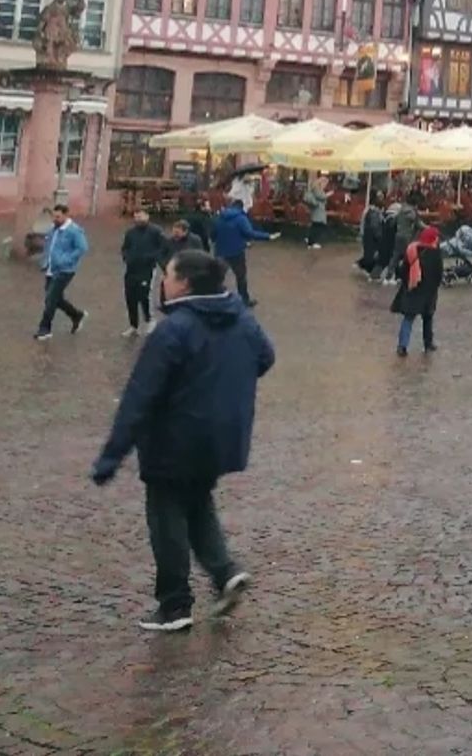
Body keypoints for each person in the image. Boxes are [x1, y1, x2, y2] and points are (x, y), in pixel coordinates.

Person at [90, 248, 274, 632]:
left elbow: (140, 395)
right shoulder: (241, 318)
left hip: (173, 440)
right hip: (222, 438)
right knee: (197, 504)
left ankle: (175, 605)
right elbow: (265, 357)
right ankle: (225, 572)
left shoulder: (175, 328)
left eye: (169, 276)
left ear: (184, 284)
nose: (163, 282)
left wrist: (111, 457)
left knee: (166, 516)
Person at [35, 202, 90, 340]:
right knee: (56, 298)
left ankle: (45, 328)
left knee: (51, 299)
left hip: (65, 270)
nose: (55, 219)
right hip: (51, 268)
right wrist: (45, 262)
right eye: (54, 216)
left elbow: (82, 248)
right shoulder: (54, 228)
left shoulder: (74, 230)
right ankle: (77, 315)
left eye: (58, 217)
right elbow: (49, 246)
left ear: (66, 215)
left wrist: (65, 260)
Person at [212, 197, 277, 308]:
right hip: (236, 253)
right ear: (241, 207)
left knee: (217, 277)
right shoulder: (241, 218)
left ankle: (214, 300)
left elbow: (213, 234)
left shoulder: (219, 217)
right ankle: (244, 300)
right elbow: (249, 233)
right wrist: (267, 236)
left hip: (220, 252)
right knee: (241, 277)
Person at [390, 223, 443, 356]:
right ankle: (428, 344)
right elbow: (439, 274)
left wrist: (408, 281)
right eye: (436, 237)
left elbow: (403, 270)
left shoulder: (412, 250)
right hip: (429, 292)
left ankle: (402, 346)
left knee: (408, 319)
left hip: (412, 290)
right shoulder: (435, 253)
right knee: (428, 318)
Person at [120, 209, 169, 337]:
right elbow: (125, 247)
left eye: (140, 215)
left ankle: (150, 320)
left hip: (147, 268)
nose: (138, 218)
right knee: (130, 296)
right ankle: (133, 325)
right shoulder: (130, 232)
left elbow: (163, 248)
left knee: (144, 294)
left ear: (147, 216)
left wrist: (152, 258)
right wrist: (126, 257)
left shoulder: (156, 231)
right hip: (131, 268)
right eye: (136, 216)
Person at [357, 197, 390, 279]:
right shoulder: (375, 214)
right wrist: (380, 238)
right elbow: (375, 227)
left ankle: (364, 268)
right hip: (371, 238)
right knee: (371, 255)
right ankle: (368, 272)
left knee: (369, 254)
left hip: (368, 236)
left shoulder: (370, 212)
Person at [301, 181, 329, 249]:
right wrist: (328, 194)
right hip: (318, 211)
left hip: (317, 211)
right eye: (325, 183)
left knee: (315, 226)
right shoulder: (317, 190)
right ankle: (312, 242)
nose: (326, 185)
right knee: (318, 226)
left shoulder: (315, 189)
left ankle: (310, 239)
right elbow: (321, 197)